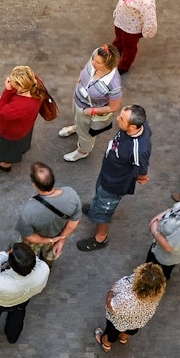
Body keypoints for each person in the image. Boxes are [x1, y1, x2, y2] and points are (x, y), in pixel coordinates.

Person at [76, 105, 152, 252]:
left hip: (114, 184)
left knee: (105, 209)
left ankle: (100, 238)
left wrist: (141, 177)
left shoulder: (139, 148)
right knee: (99, 195)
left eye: (122, 119)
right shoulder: (139, 127)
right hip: (107, 174)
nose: (117, 119)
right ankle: (94, 209)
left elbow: (142, 170)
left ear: (134, 126)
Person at [0, 243, 50, 346]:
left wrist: (6, 254)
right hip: (22, 300)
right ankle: (12, 337)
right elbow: (35, 260)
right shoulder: (44, 269)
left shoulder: (0, 281)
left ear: (11, 263)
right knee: (17, 317)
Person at [59, 45, 123, 162]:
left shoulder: (114, 84)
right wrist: (81, 76)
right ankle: (77, 127)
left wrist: (92, 111)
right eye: (93, 59)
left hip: (89, 110)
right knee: (79, 121)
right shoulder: (97, 54)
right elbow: (88, 65)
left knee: (86, 134)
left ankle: (83, 151)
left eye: (98, 62)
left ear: (108, 65)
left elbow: (114, 107)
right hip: (78, 100)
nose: (93, 62)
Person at [15, 162, 81, 265]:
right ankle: (47, 266)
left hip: (37, 240)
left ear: (35, 185)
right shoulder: (71, 194)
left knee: (28, 255)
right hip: (58, 235)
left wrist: (50, 240)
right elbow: (74, 221)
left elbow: (28, 236)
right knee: (51, 255)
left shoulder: (28, 212)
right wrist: (60, 240)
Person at [95, 262, 167, 352]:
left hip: (119, 321)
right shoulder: (156, 293)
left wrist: (110, 292)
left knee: (111, 333)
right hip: (138, 320)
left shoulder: (126, 297)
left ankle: (106, 344)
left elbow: (110, 306)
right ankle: (123, 338)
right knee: (131, 331)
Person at [0, 66, 47, 172]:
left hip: (9, 132)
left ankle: (5, 164)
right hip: (23, 127)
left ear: (20, 86)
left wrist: (7, 90)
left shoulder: (20, 106)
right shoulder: (35, 83)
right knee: (19, 143)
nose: (9, 80)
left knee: (6, 151)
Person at [112, 0, 159, 73]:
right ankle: (114, 54)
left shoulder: (146, 2)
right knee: (118, 39)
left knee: (129, 47)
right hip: (121, 21)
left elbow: (150, 20)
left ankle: (123, 67)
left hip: (131, 29)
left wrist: (146, 33)